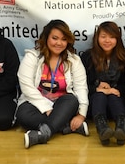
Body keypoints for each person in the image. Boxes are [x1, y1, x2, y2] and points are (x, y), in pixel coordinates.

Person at [17, 20, 90, 148]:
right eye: (54, 38)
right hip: (37, 104)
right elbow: (26, 86)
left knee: (72, 100)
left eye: (63, 39)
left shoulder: (74, 60)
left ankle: (43, 134)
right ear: (46, 38)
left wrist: (81, 115)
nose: (59, 43)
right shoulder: (32, 56)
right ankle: (66, 127)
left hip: (63, 105)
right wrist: (47, 108)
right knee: (23, 114)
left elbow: (81, 87)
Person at [81, 21, 125, 146]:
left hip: (116, 103)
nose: (107, 40)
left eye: (112, 37)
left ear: (117, 39)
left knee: (113, 96)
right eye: (103, 36)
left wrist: (115, 89)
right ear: (97, 38)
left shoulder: (124, 57)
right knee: (100, 96)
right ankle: (102, 129)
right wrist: (98, 88)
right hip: (95, 103)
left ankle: (121, 128)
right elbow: (82, 85)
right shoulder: (87, 57)